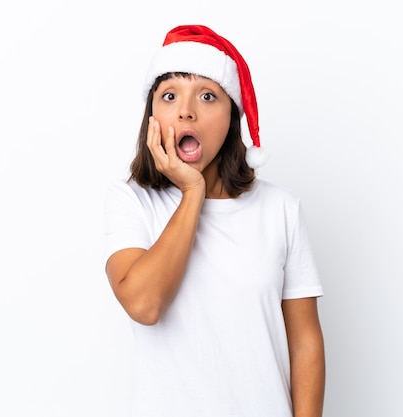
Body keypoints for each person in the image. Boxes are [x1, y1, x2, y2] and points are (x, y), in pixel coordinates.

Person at [104, 24, 325, 417]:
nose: (186, 110)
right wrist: (192, 193)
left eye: (208, 95)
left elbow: (305, 342)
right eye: (169, 95)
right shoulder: (132, 201)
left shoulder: (280, 209)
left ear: (231, 117)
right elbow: (144, 304)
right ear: (151, 116)